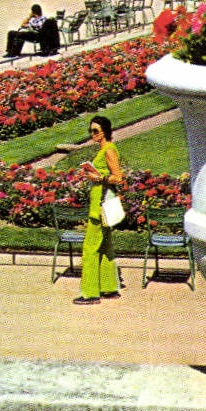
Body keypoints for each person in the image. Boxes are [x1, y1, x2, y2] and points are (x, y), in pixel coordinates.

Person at [75, 115, 123, 304]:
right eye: (90, 131)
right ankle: (109, 287)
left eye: (95, 130)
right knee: (105, 247)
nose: (92, 134)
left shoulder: (108, 150)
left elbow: (117, 177)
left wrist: (99, 179)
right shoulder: (105, 149)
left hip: (100, 205)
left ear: (105, 131)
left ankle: (90, 293)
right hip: (103, 203)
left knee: (90, 249)